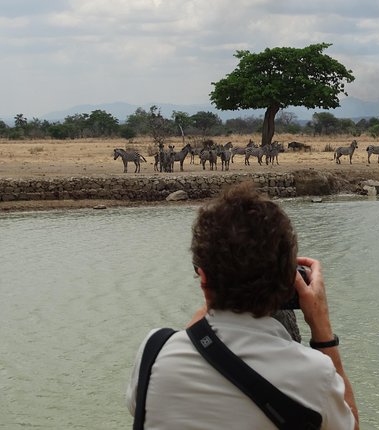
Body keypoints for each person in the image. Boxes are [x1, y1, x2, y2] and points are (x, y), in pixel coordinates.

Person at [126, 182, 359, 429]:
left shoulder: (153, 354)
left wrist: (215, 296)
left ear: (203, 278)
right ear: (289, 281)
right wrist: (322, 330)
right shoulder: (315, 375)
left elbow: (138, 406)